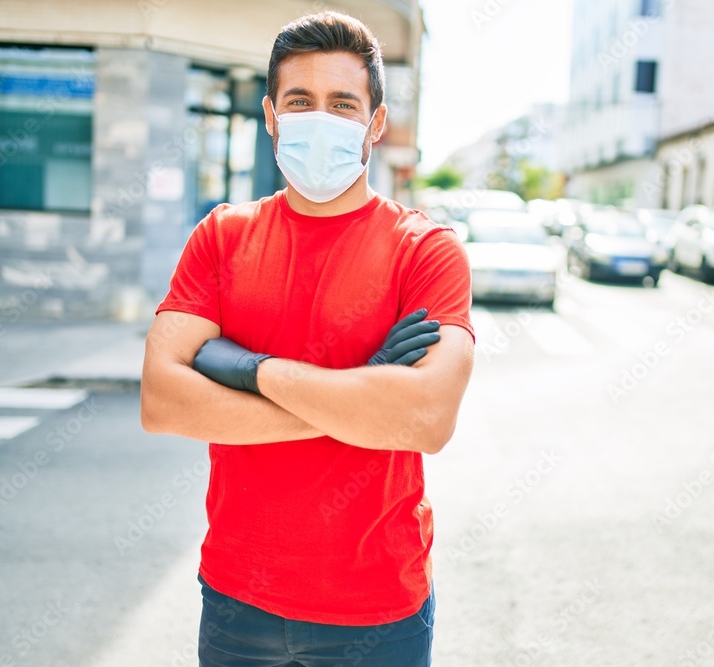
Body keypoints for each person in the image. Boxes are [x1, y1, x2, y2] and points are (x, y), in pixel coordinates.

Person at [140, 10, 475, 667]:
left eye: (342, 103)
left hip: (377, 609)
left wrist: (248, 367)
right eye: (300, 102)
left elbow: (427, 418)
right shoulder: (222, 237)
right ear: (270, 116)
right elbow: (162, 401)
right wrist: (363, 393)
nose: (320, 118)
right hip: (237, 600)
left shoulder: (424, 251)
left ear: (374, 123)